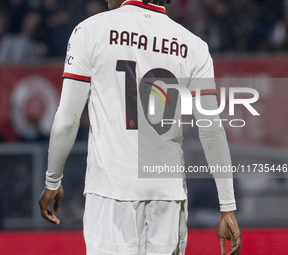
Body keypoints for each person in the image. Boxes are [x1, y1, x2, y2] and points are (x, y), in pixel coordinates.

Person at [39, 0, 242, 254]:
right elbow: (211, 129)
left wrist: (52, 180)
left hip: (111, 191)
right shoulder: (194, 46)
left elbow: (68, 118)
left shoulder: (90, 30)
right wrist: (228, 207)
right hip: (167, 196)